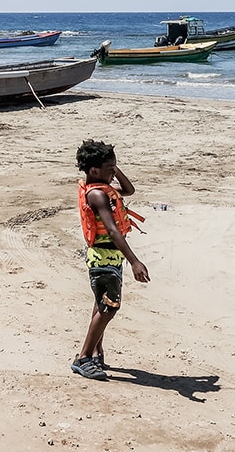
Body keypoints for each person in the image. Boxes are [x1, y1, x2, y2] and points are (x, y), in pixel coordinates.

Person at [71, 139, 150, 380]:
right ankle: (83, 358)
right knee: (109, 306)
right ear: (94, 170)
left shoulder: (105, 187)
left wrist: (114, 168)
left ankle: (96, 351)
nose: (113, 173)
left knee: (101, 304)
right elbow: (113, 230)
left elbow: (129, 190)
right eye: (109, 169)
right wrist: (135, 261)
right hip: (103, 256)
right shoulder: (96, 194)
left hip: (110, 256)